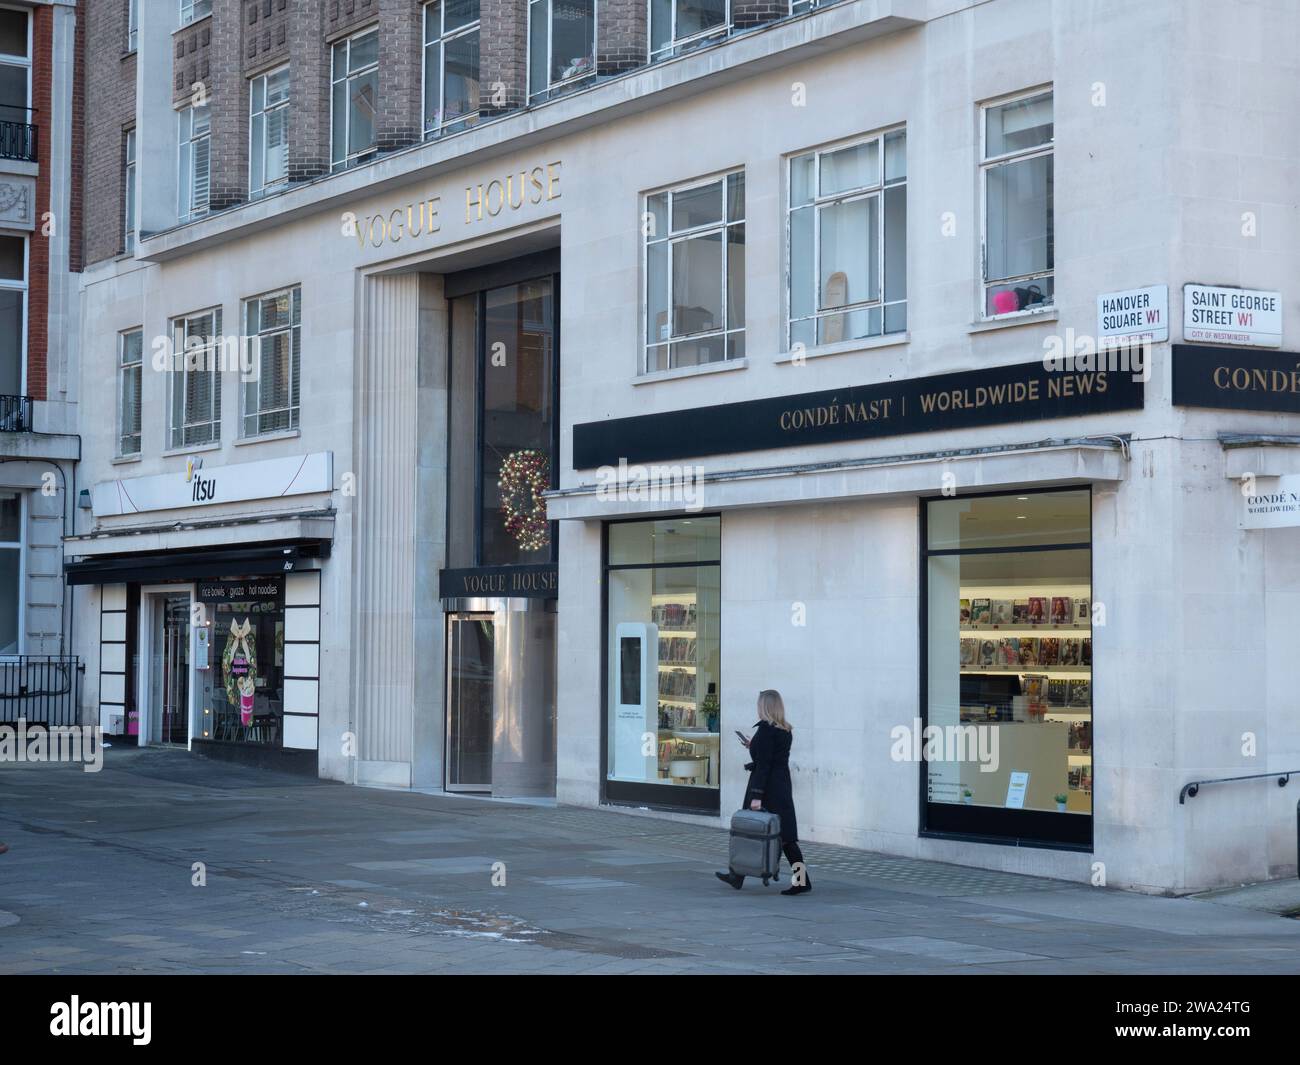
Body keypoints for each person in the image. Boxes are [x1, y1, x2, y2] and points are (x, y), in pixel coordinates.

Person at [715, 689, 811, 895]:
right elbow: (772, 756)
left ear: (764, 706)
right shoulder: (784, 729)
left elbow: (765, 764)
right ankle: (739, 876)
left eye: (759, 704)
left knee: (753, 832)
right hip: (781, 786)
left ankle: (739, 875)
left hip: (766, 787)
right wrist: (753, 745)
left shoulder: (767, 730)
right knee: (785, 836)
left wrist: (757, 795)